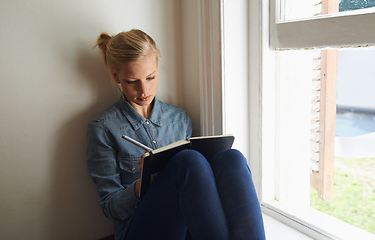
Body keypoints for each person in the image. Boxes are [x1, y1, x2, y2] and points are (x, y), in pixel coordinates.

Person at [87, 29, 266, 240]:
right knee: (187, 160)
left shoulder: (179, 119)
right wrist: (142, 184)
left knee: (232, 157)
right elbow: (110, 207)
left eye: (150, 77)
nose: (144, 90)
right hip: (139, 229)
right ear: (117, 77)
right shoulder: (104, 128)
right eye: (132, 81)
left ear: (157, 68)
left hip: (186, 225)